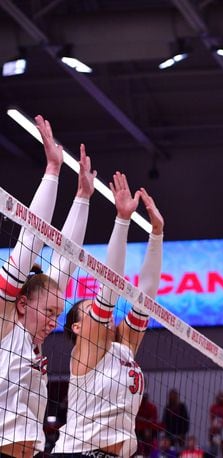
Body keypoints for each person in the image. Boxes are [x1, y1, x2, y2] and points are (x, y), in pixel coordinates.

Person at [1, 117, 96, 458]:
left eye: (58, 313)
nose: (55, 322)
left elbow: (67, 259)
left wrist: (84, 195)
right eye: (50, 312)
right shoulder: (5, 325)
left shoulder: (30, 344)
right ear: (23, 304)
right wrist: (53, 170)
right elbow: (30, 236)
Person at [52, 173, 164, 458]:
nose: (101, 310)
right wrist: (122, 220)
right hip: (79, 454)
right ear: (78, 327)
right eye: (91, 308)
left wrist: (157, 234)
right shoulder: (87, 349)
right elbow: (111, 285)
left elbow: (146, 297)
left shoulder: (123, 347)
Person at [209, 391, 223, 457]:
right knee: (215, 445)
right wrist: (214, 428)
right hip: (215, 428)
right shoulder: (213, 407)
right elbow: (211, 419)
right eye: (219, 397)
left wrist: (220, 427)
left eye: (222, 397)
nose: (221, 399)